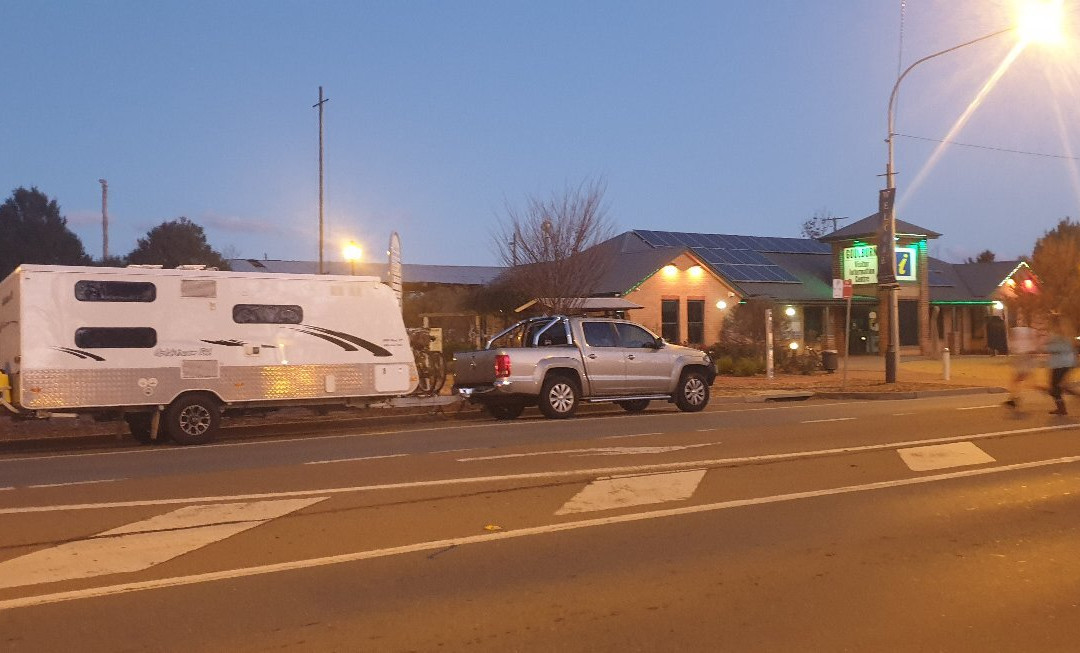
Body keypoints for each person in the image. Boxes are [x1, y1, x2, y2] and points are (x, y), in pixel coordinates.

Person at [1044, 317, 1078, 415]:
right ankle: (1061, 408)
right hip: (1060, 364)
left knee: (1055, 387)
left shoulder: (1062, 333)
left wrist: (1048, 346)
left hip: (1062, 364)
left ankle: (1062, 409)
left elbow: (1064, 347)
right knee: (1059, 387)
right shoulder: (1058, 333)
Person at [1004, 323, 1039, 410]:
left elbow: (1033, 346)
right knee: (1017, 380)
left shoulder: (1030, 331)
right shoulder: (1022, 331)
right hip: (1023, 357)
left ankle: (1014, 399)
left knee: (1018, 379)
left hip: (1025, 357)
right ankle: (1014, 398)